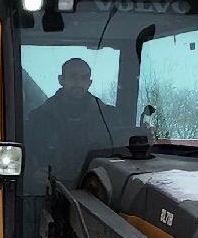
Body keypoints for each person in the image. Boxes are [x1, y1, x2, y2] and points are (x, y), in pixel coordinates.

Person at [30, 58, 128, 187]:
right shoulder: (39, 118)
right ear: (61, 80)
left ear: (90, 82)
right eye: (73, 76)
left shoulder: (109, 117)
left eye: (84, 78)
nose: (79, 82)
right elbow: (24, 154)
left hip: (97, 189)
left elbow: (120, 155)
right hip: (48, 192)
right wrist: (31, 175)